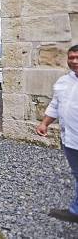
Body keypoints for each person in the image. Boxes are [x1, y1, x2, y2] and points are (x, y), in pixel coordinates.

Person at [36, 45, 78, 223]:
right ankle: (76, 210)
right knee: (76, 174)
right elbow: (55, 105)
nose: (74, 61)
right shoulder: (63, 82)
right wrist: (45, 123)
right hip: (70, 140)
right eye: (71, 57)